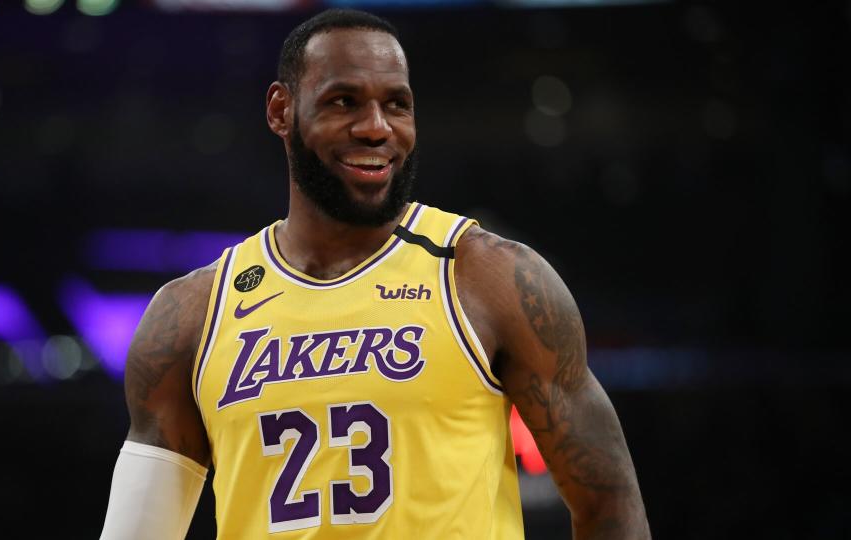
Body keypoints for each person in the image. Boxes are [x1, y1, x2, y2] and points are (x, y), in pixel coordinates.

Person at [100, 9, 650, 539]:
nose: (376, 127)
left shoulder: (488, 277)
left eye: (397, 104)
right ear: (280, 110)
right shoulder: (193, 314)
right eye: (344, 102)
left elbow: (611, 504)